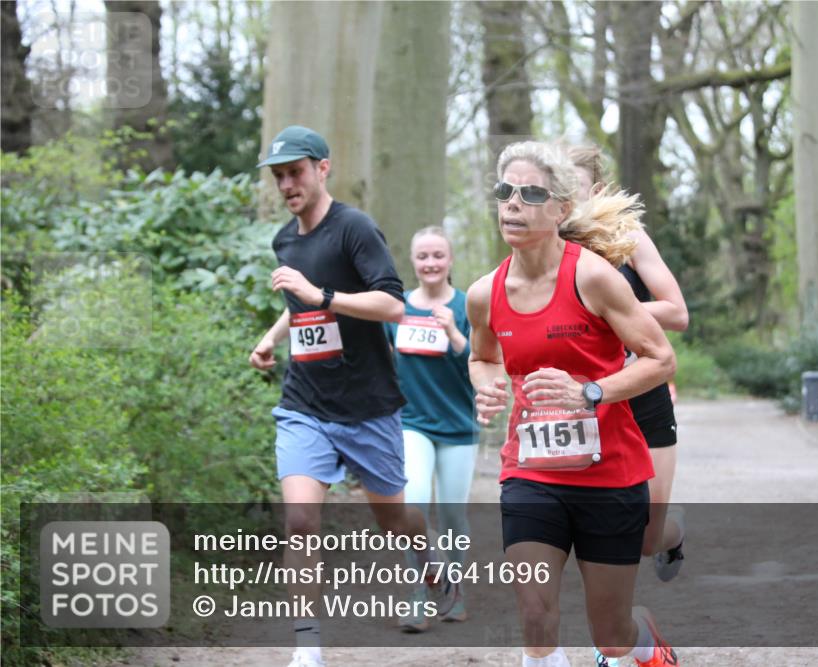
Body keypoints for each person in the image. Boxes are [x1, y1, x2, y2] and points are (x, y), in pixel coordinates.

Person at [249, 125, 456, 667]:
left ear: (323, 168)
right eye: (279, 177)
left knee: (393, 519)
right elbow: (302, 305)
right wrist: (273, 337)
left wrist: (323, 296)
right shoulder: (285, 240)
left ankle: (431, 559)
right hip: (305, 403)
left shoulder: (355, 229)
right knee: (299, 519)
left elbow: (391, 305)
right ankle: (308, 647)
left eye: (296, 172)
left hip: (367, 405)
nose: (287, 184)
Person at [467, 140, 680, 667]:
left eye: (531, 193)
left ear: (562, 208)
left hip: (609, 474)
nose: (513, 204)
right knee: (536, 616)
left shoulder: (593, 276)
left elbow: (661, 358)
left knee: (611, 635)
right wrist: (488, 382)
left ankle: (646, 643)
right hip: (530, 474)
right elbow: (483, 357)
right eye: (505, 192)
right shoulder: (483, 293)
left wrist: (590, 391)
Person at [566, 144, 689, 667]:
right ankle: (615, 649)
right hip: (587, 405)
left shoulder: (627, 239)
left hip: (642, 397)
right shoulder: (546, 248)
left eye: (568, 187)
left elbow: (677, 312)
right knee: (596, 535)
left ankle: (673, 533)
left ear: (594, 192)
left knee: (645, 538)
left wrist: (614, 311)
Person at [384, 226, 479, 631]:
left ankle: (454, 589)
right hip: (412, 423)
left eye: (438, 255)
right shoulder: (397, 308)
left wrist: (455, 333)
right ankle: (419, 593)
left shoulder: (467, 306)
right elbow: (382, 360)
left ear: (450, 260)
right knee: (414, 508)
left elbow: (482, 362)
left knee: (453, 515)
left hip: (458, 425)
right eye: (423, 256)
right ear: (413, 262)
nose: (430, 263)